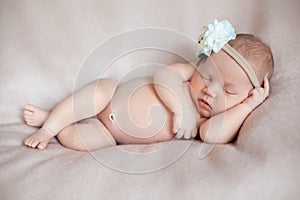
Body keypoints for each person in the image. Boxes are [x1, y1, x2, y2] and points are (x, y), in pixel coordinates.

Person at [23, 20, 274, 151]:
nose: (211, 90)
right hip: (111, 96)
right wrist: (181, 108)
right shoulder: (187, 75)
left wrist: (248, 106)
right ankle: (49, 126)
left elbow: (212, 136)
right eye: (208, 77)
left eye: (229, 91)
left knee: (78, 140)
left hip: (109, 135)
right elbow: (163, 77)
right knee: (96, 93)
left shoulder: (204, 123)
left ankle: (61, 127)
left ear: (244, 96)